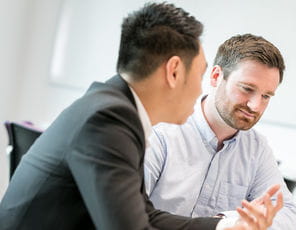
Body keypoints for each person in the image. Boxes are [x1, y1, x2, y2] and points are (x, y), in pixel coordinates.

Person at [0, 3, 281, 230]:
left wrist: (224, 227)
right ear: (173, 72)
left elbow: (145, 214)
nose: (199, 89)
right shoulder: (110, 121)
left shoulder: (114, 108)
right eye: (199, 74)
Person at [144, 34, 296, 229]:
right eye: (246, 89)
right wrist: (225, 224)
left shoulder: (256, 149)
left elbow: (287, 214)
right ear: (216, 76)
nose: (255, 106)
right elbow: (130, 211)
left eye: (266, 96)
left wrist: (242, 222)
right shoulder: (162, 132)